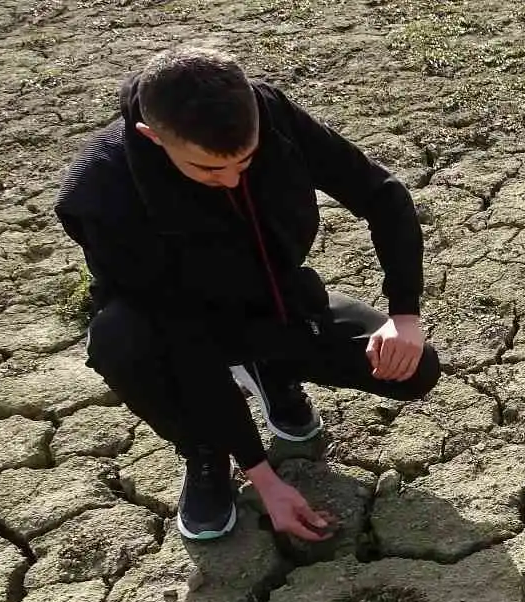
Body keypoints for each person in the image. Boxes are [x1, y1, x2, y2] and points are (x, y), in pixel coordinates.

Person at [56, 46, 440, 541]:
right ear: (154, 139)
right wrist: (260, 473)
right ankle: (204, 452)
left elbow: (381, 193)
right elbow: (181, 333)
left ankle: (270, 369)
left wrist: (403, 314)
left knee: (414, 369)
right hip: (175, 328)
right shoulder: (103, 195)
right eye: (210, 171)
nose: (233, 179)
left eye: (247, 160)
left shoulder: (268, 111)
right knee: (120, 339)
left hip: (275, 304)